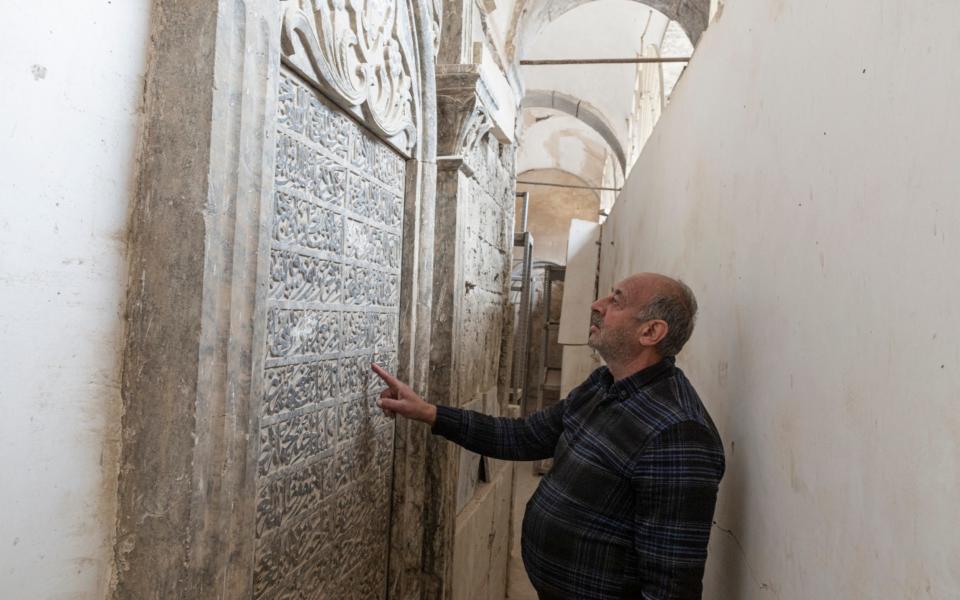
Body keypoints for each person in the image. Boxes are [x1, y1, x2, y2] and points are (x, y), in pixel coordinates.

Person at [371, 272, 725, 599]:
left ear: (650, 332)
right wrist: (430, 413)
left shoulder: (677, 435)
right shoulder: (603, 386)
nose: (597, 305)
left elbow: (671, 588)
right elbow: (525, 436)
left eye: (616, 300)